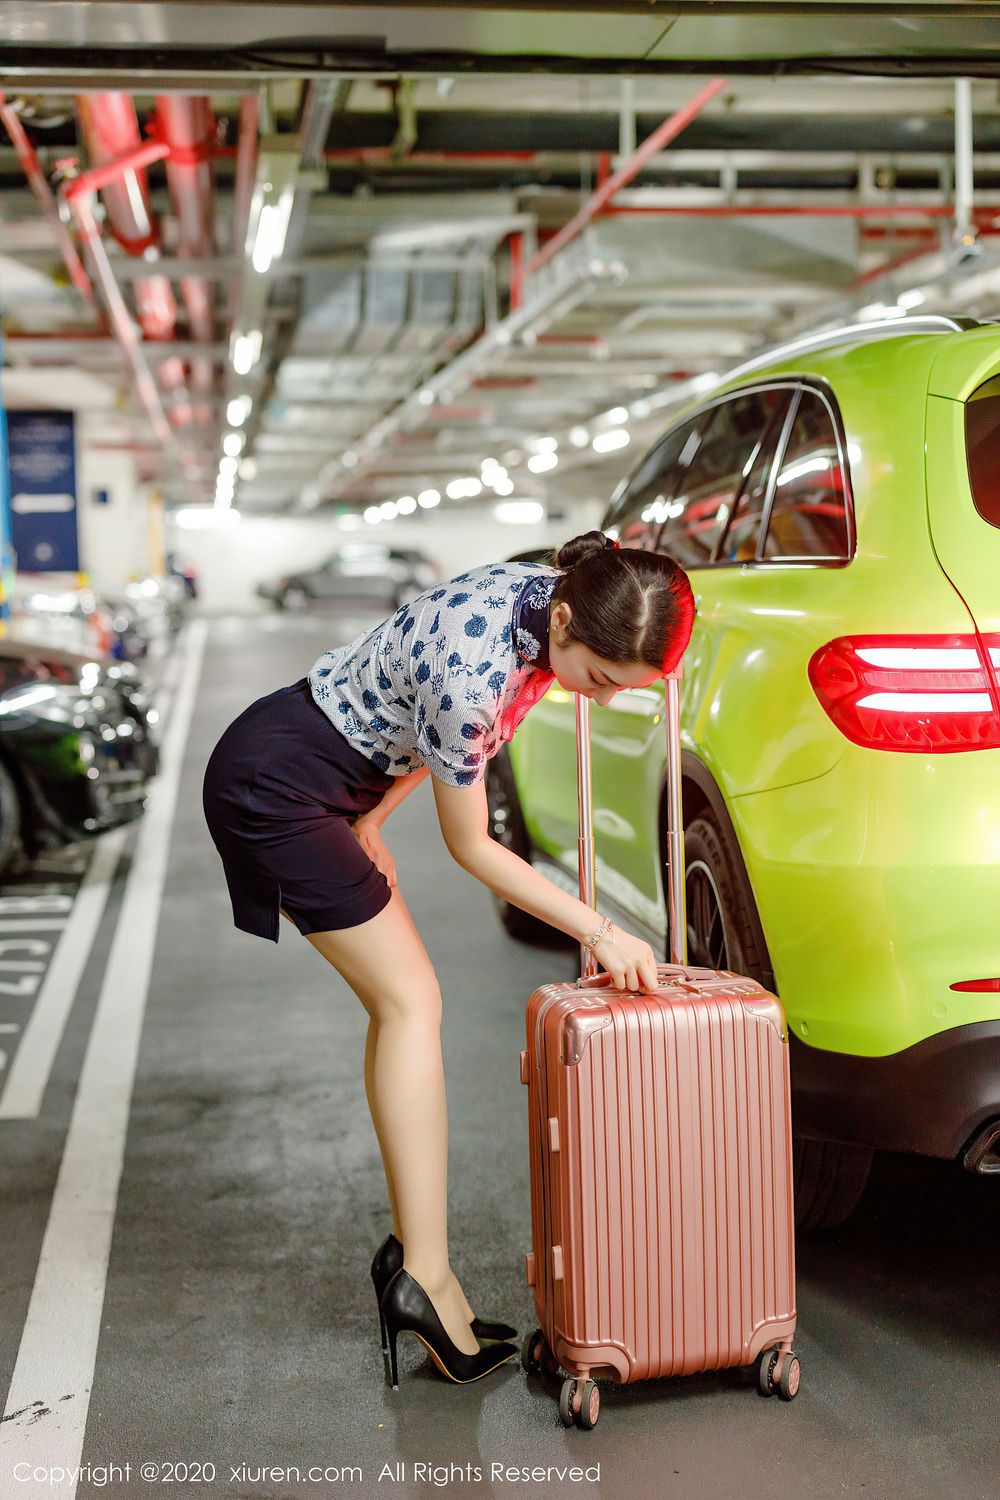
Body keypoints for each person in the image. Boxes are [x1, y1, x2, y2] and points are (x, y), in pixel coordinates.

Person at [202, 530, 696, 1390]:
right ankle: (421, 1276)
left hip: (327, 776)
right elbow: (474, 846)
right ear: (569, 620)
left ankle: (421, 1267)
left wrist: (372, 821)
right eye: (601, 680)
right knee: (410, 1002)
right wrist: (603, 930)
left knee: (405, 1003)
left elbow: (415, 723)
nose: (608, 700)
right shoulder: (480, 669)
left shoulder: (547, 600)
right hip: (278, 786)